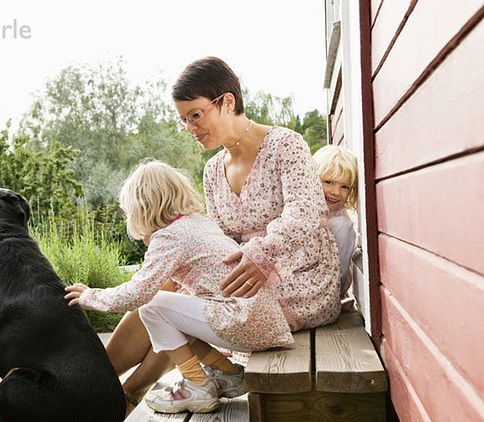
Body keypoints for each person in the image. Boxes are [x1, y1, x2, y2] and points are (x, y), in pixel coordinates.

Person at [97, 56, 341, 414]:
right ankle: (100, 382)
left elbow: (305, 213)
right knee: (163, 288)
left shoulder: (285, 145)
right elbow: (218, 238)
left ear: (227, 101)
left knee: (168, 304)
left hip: (300, 278)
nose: (191, 127)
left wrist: (263, 255)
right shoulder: (213, 170)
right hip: (243, 279)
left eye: (195, 115)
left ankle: (119, 394)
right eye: (184, 121)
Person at [65, 160, 292, 414]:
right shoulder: (198, 222)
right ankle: (227, 372)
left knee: (152, 307)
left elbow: (137, 294)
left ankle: (197, 385)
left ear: (142, 207)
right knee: (175, 315)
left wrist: (89, 296)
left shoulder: (169, 236)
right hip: (261, 320)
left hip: (242, 320)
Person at [313, 145, 358, 308]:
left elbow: (339, 273)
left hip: (322, 292)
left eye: (344, 186)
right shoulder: (310, 211)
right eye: (329, 182)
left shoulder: (341, 225)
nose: (336, 192)